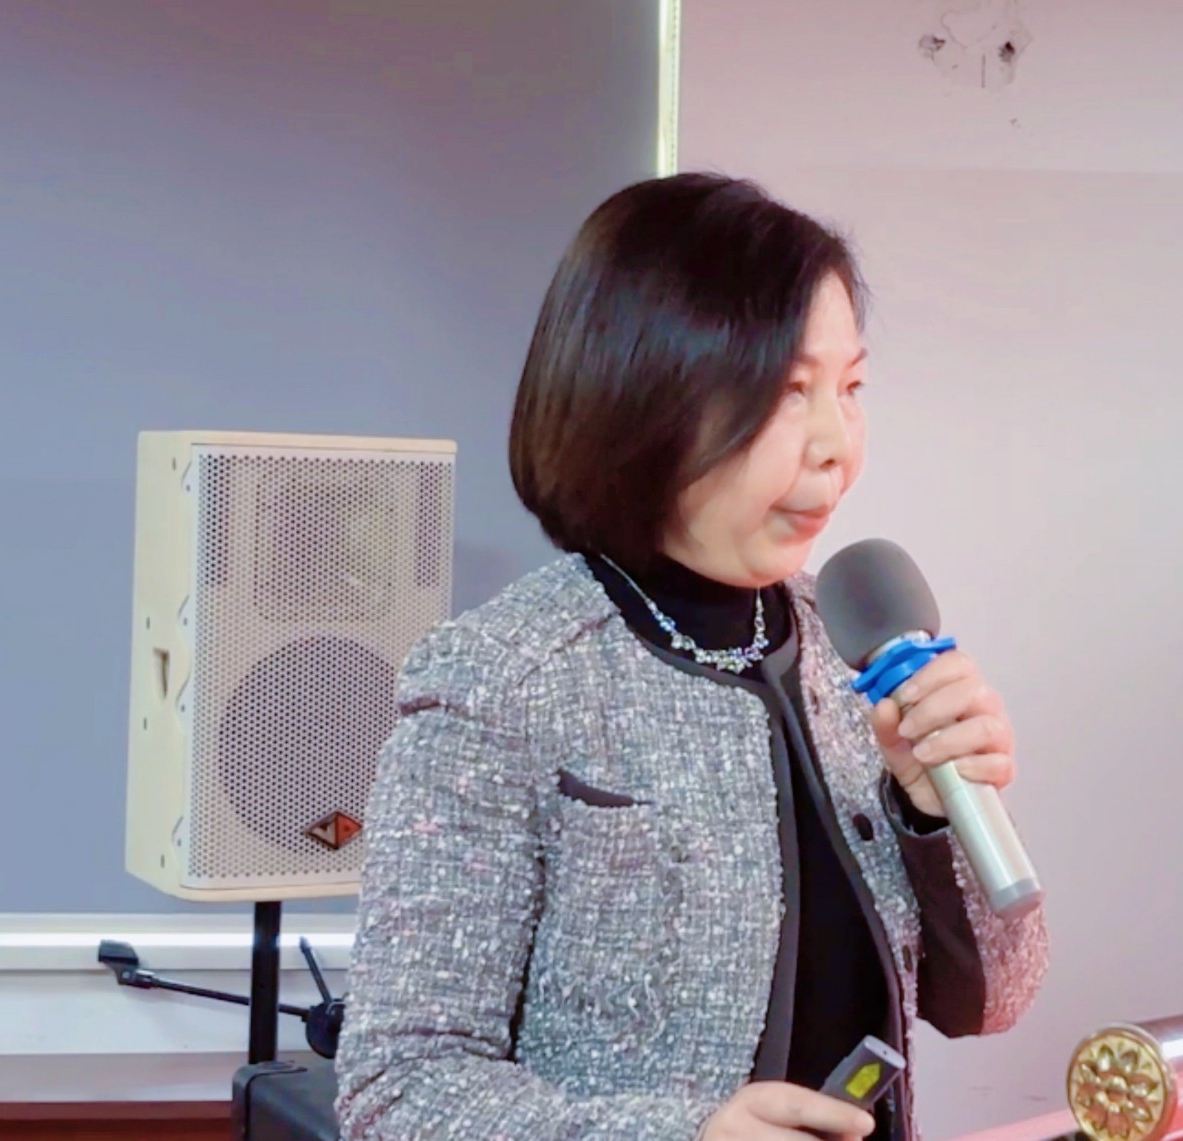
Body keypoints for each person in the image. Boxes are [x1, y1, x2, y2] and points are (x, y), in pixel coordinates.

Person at [335, 173, 1049, 1141]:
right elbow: (400, 1091)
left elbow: (993, 1001)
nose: (836, 445)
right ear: (646, 400)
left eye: (850, 388)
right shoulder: (505, 678)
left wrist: (931, 812)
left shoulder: (854, 649)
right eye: (787, 392)